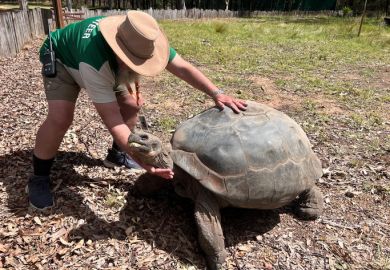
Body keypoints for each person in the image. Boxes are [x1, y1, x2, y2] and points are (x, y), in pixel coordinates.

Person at [29, 10, 247, 210]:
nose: (137, 66)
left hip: (104, 64)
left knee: (131, 107)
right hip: (62, 59)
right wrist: (144, 161)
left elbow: (183, 67)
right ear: (119, 52)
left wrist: (216, 93)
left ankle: (116, 155)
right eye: (133, 62)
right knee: (60, 118)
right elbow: (113, 120)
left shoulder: (140, 38)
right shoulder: (95, 61)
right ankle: (38, 178)